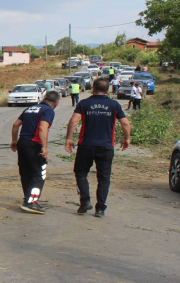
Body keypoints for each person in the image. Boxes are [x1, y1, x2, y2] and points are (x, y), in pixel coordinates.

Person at [64, 77, 131, 218]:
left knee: (81, 172)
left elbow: (73, 121)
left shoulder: (84, 103)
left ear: (93, 88)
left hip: (86, 145)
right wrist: (127, 138)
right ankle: (100, 208)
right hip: (106, 147)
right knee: (104, 177)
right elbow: (125, 123)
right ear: (108, 90)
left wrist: (69, 138)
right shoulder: (114, 105)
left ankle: (85, 200)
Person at [10, 91, 61, 214]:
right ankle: (31, 202)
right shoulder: (48, 111)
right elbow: (43, 127)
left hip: (22, 143)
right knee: (39, 173)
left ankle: (27, 198)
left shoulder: (30, 108)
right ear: (56, 103)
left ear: (44, 98)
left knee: (26, 172)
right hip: (34, 144)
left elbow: (16, 124)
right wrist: (44, 148)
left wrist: (14, 140)